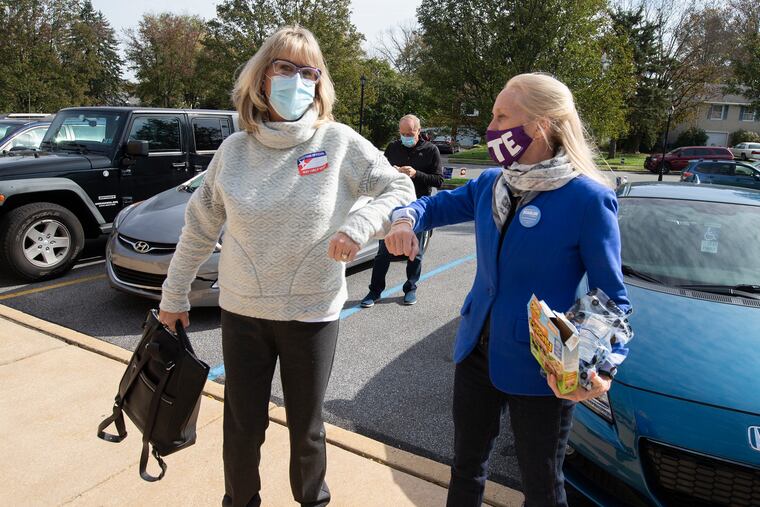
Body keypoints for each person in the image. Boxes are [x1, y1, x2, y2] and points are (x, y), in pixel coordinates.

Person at [157, 26, 415, 507]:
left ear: (319, 83)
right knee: (241, 426)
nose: (297, 79)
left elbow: (397, 189)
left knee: (307, 429)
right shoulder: (233, 152)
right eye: (285, 67)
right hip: (243, 314)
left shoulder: (338, 142)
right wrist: (173, 297)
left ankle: (312, 501)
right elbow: (198, 228)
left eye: (308, 71)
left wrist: (359, 225)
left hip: (312, 314)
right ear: (261, 76)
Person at [384, 73, 631, 507]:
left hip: (543, 368)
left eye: (502, 116)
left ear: (539, 124)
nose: (492, 127)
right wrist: (404, 220)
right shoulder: (491, 184)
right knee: (465, 469)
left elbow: (612, 298)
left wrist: (602, 368)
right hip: (475, 353)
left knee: (542, 484)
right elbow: (431, 205)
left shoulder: (587, 199)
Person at [360, 114, 443, 307]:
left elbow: (438, 180)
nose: (406, 136)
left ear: (419, 131)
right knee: (383, 252)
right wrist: (393, 172)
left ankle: (410, 289)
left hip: (419, 206)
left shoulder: (431, 150)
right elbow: (379, 174)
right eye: (403, 133)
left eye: (410, 133)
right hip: (393, 205)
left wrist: (416, 174)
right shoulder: (393, 148)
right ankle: (374, 291)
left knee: (415, 252)